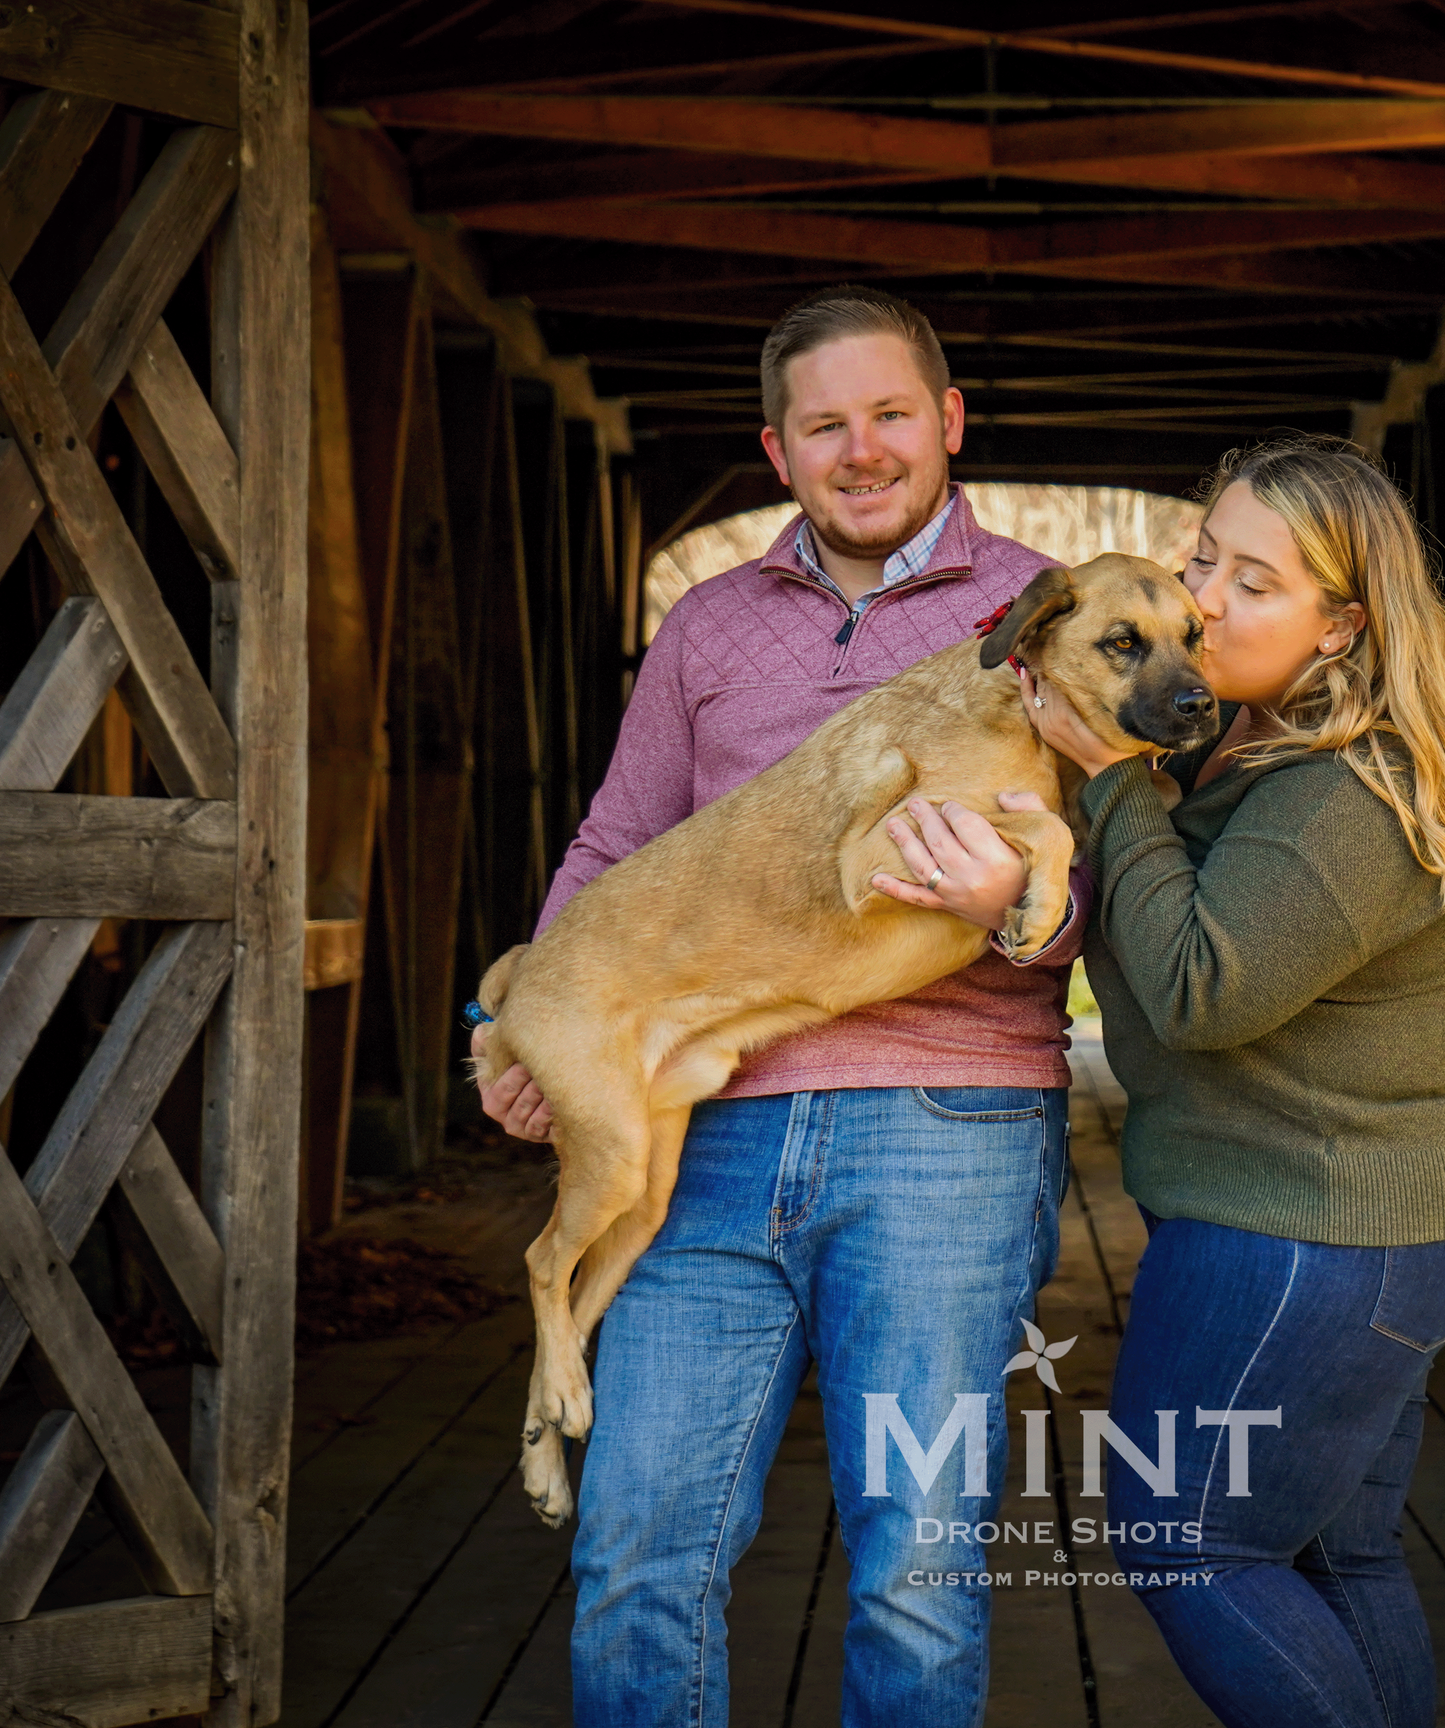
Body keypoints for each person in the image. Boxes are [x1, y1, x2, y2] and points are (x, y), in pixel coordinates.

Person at [473, 284, 1085, 1728]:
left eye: (888, 415)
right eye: (826, 426)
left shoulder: (1053, 610)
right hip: (707, 1120)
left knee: (920, 1572)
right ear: (779, 449)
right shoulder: (706, 626)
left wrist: (1014, 901)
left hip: (952, 1125)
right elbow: (616, 848)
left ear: (946, 421)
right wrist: (519, 1032)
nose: (861, 450)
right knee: (638, 1550)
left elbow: (1111, 892)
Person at [997, 435, 1445, 1728]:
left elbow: (1201, 987)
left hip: (1320, 1232)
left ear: (1343, 624)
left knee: (1188, 1543)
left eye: (1255, 581)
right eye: (1204, 561)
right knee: (1337, 1553)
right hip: (1382, 1216)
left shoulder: (1352, 789)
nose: (1208, 598)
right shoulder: (1262, 744)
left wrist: (1111, 774)